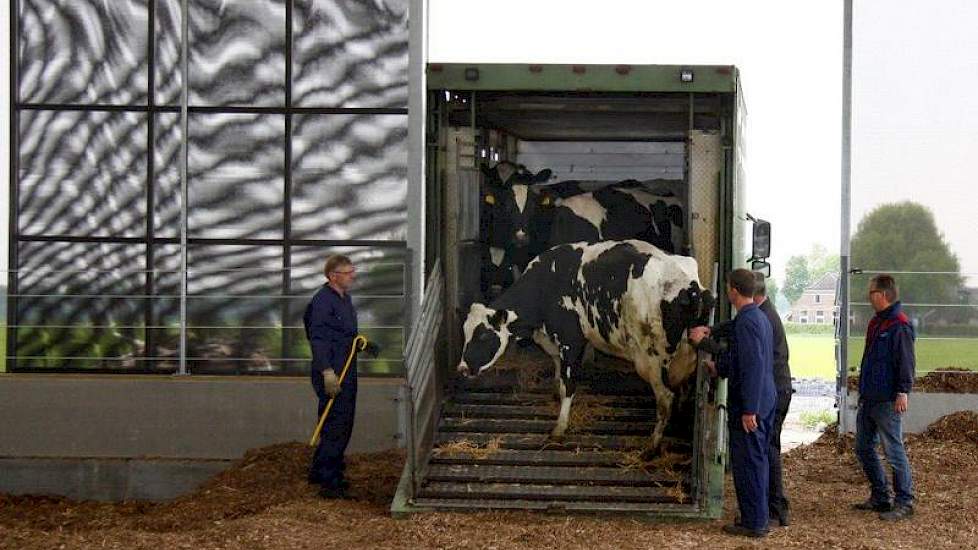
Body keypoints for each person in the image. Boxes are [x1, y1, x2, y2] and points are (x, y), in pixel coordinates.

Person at [689, 268, 776, 538]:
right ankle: (756, 516)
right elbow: (739, 354)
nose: (727, 291)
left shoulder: (748, 322)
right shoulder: (757, 317)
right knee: (757, 461)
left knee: (748, 463)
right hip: (766, 397)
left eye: (728, 287)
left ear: (734, 291)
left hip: (753, 404)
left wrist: (749, 409)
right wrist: (713, 334)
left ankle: (754, 524)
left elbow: (751, 365)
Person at [303, 255, 378, 499]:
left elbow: (344, 335)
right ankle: (330, 481)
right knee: (336, 424)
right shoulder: (322, 302)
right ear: (333, 276)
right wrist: (326, 372)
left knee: (339, 422)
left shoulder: (344, 299)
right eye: (348, 272)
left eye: (353, 270)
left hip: (347, 368)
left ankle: (319, 469)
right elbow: (319, 338)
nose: (353, 275)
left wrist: (364, 345)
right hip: (333, 373)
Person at [852, 274, 915, 520]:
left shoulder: (898, 324)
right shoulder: (877, 323)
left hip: (888, 399)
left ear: (883, 295)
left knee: (894, 451)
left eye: (871, 293)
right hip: (870, 397)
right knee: (863, 447)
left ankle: (905, 501)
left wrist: (903, 391)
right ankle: (881, 495)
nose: (869, 298)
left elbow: (906, 361)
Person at [753, 273, 793, 527]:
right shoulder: (767, 312)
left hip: (775, 391)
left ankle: (775, 506)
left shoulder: (763, 318)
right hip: (781, 388)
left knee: (768, 449)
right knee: (771, 448)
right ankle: (776, 504)